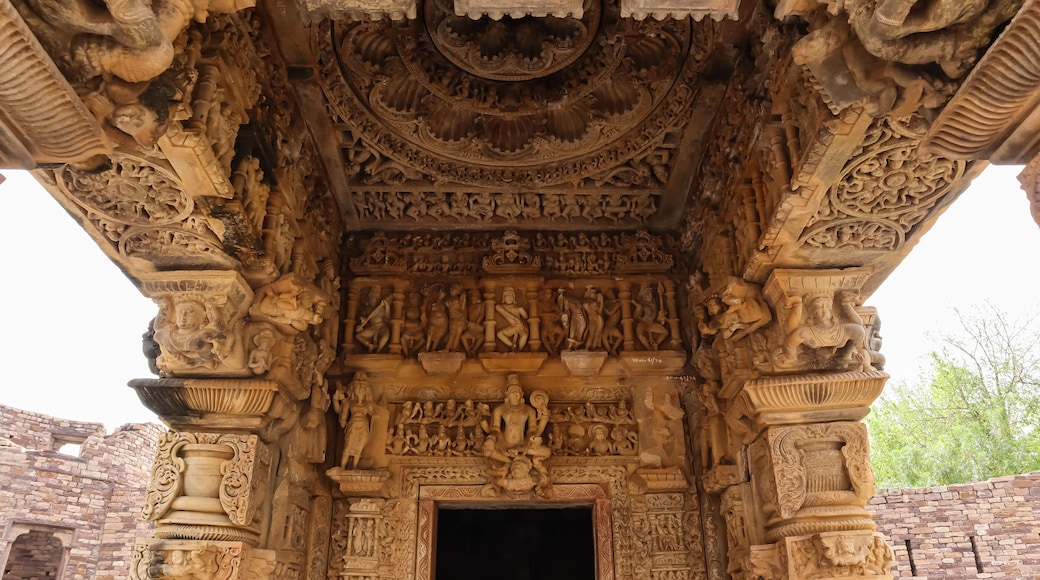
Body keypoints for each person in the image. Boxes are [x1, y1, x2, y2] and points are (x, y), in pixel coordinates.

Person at [333, 373, 375, 469]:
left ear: (366, 391)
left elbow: (374, 415)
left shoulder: (368, 404)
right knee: (348, 446)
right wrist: (336, 400)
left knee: (359, 448)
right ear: (353, 389)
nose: (360, 390)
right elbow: (341, 411)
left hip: (363, 426)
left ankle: (355, 467)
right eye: (357, 387)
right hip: (353, 424)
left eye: (362, 388)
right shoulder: (349, 402)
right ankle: (342, 467)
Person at [355, 287, 390, 353]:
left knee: (386, 336)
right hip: (372, 328)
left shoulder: (381, 308)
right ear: (368, 299)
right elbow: (363, 320)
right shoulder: (366, 309)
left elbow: (387, 317)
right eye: (371, 298)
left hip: (382, 326)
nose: (373, 300)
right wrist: (360, 326)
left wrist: (387, 306)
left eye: (375, 298)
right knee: (358, 336)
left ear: (378, 299)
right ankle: (369, 345)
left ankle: (378, 351)